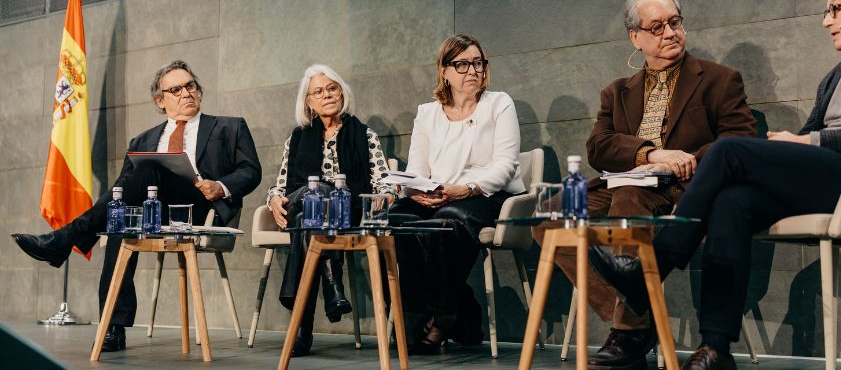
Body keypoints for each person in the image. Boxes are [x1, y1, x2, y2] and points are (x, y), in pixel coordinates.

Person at [589, 0, 841, 370]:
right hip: (827, 175)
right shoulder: (837, 74)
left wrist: (809, 143)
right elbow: (815, 133)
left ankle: (652, 265)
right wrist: (800, 141)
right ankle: (716, 347)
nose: (826, 20)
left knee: (727, 151)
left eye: (834, 9)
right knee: (730, 201)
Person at [531, 0, 757, 369]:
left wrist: (684, 159)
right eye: (657, 27)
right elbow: (599, 146)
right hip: (627, 182)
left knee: (628, 200)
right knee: (550, 217)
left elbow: (743, 138)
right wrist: (649, 154)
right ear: (635, 37)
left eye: (675, 22)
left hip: (687, 187)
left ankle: (630, 331)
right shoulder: (617, 92)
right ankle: (640, 308)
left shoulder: (719, 79)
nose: (670, 33)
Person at [12, 59, 262, 352]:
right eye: (176, 89)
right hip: (152, 213)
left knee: (146, 171)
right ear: (160, 100)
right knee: (120, 219)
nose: (186, 93)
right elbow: (122, 192)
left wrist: (220, 186)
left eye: (191, 85)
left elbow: (251, 170)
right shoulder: (143, 139)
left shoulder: (229, 127)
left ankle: (65, 239)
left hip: (200, 208)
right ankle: (113, 330)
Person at [389, 34, 525, 354]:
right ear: (444, 71)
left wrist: (465, 189)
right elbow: (418, 168)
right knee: (395, 219)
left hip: (486, 194)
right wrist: (418, 191)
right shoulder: (427, 113)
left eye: (478, 63)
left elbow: (506, 165)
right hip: (437, 195)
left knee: (449, 220)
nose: (472, 71)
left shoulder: (499, 103)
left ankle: (443, 316)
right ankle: (457, 306)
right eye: (462, 64)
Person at [265, 63, 394, 357]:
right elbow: (280, 185)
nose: (326, 95)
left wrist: (387, 196)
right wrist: (273, 199)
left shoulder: (364, 135)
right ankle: (333, 289)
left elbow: (384, 182)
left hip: (345, 213)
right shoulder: (297, 137)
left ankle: (300, 324)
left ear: (342, 92)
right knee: (317, 193)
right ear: (308, 101)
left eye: (332, 88)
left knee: (309, 215)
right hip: (303, 199)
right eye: (318, 92)